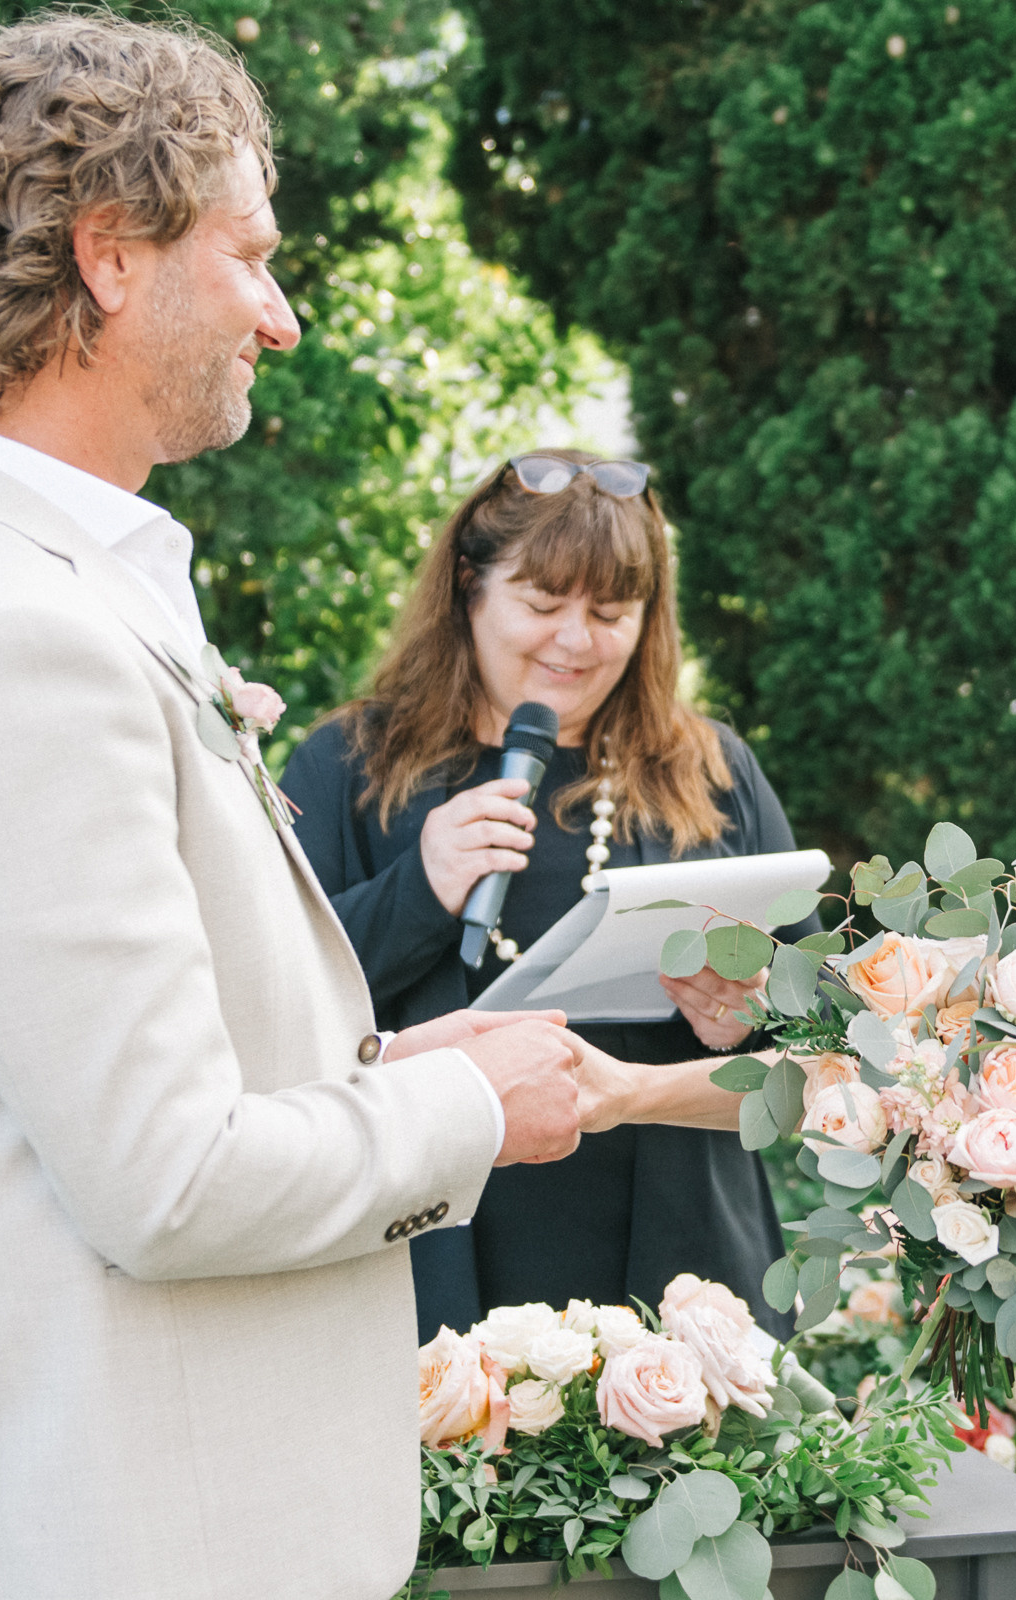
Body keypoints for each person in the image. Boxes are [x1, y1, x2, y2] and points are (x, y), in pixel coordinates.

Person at [0, 17, 587, 1599]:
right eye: (249, 256)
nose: (277, 318)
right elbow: (162, 1177)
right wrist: (475, 1113)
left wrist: (368, 1066)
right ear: (109, 257)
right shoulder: (5, 634)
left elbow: (99, 1085)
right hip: (123, 1532)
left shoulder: (10, 583)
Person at [283, 451, 812, 1343]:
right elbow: (277, 1019)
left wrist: (746, 1018)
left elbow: (823, 1062)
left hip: (683, 1286)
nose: (575, 642)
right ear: (468, 588)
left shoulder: (710, 772)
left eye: (611, 614)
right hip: (437, 1278)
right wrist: (419, 889)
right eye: (541, 604)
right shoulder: (347, 767)